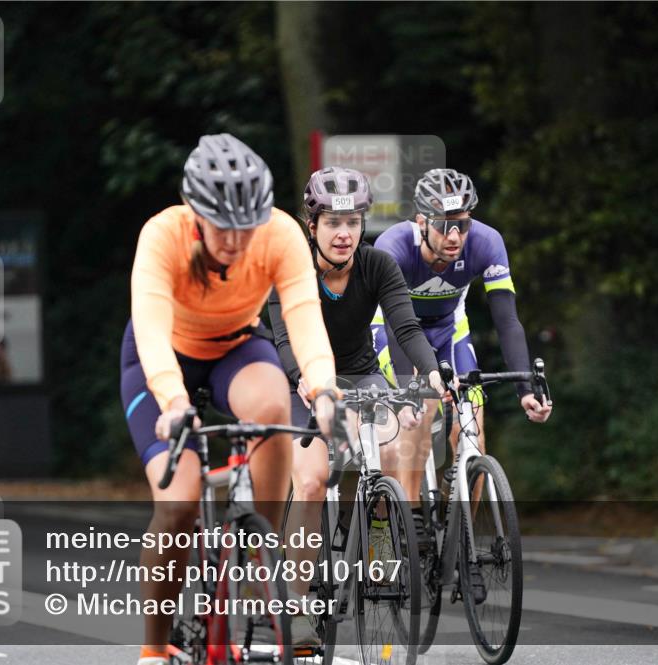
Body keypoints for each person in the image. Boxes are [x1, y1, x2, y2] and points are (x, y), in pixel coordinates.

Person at [120, 134, 339, 665]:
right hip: (163, 359)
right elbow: (151, 331)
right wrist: (173, 402)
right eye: (223, 227)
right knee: (179, 502)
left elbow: (304, 319)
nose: (237, 241)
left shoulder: (281, 234)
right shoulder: (163, 236)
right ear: (195, 214)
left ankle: (258, 564)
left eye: (247, 226)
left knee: (273, 410)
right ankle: (154, 646)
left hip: (237, 347)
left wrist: (324, 388)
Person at [267, 166, 446, 645]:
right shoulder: (291, 267)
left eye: (352, 223)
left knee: (392, 450)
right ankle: (300, 604)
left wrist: (429, 373)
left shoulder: (378, 266)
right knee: (310, 481)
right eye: (332, 224)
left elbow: (405, 328)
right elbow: (283, 337)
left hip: (361, 375)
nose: (344, 234)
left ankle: (378, 537)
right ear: (313, 227)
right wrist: (302, 379)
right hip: (302, 379)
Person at [372, 167, 552, 509]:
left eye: (463, 224)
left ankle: (458, 540)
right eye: (444, 224)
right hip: (394, 331)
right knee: (419, 417)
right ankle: (407, 527)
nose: (454, 235)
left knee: (474, 437)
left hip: (449, 332)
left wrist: (526, 389)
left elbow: (508, 320)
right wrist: (412, 386)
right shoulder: (392, 246)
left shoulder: (487, 242)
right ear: (422, 221)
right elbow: (398, 326)